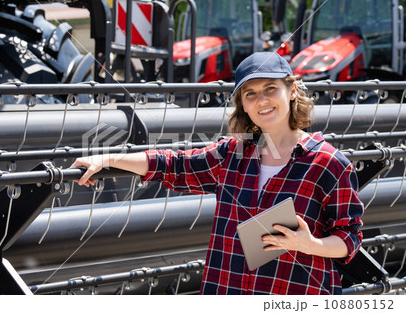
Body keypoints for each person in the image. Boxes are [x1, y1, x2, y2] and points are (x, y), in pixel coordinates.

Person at [71, 52, 364, 295]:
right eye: (250, 94)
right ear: (243, 106)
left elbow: (349, 237)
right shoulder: (232, 155)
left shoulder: (329, 163)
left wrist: (309, 244)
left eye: (270, 88)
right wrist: (108, 158)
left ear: (292, 91)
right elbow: (172, 164)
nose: (261, 100)